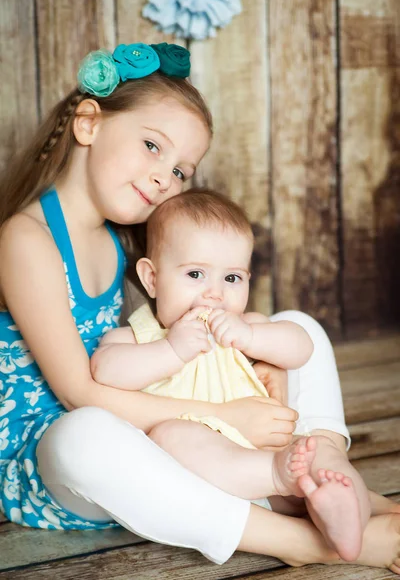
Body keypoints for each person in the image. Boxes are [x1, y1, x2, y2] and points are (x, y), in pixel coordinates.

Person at [0, 42, 399, 574]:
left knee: (295, 329)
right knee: (83, 437)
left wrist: (255, 367)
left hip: (157, 437)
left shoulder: (122, 238)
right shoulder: (28, 239)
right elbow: (79, 393)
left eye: (183, 170)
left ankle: (331, 477)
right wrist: (227, 417)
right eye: (151, 146)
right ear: (89, 123)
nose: (166, 177)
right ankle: (304, 541)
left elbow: (171, 334)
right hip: (62, 465)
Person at [91, 187, 369, 562]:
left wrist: (253, 336)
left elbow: (301, 347)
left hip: (283, 458)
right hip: (218, 481)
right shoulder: (137, 336)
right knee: (171, 437)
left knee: (322, 452)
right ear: (152, 278)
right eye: (195, 274)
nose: (215, 294)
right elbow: (104, 371)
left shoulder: (245, 328)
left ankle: (346, 513)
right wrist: (170, 350)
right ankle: (282, 479)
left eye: (232, 279)